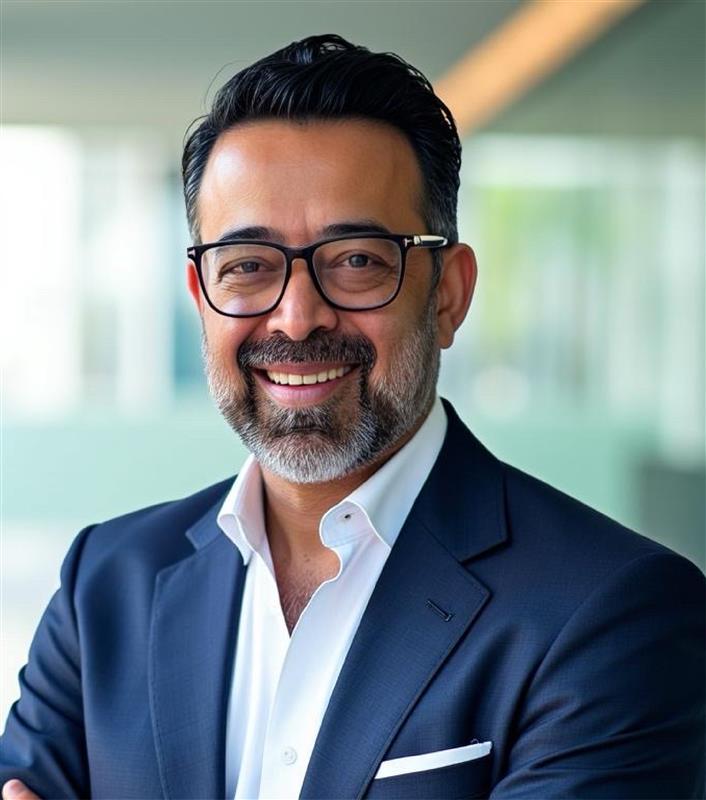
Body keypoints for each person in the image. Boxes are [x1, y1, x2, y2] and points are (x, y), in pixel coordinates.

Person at [1, 34, 704, 800]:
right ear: (202, 298)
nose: (297, 317)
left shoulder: (613, 611)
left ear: (448, 294)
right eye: (247, 266)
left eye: (358, 260)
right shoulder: (105, 585)